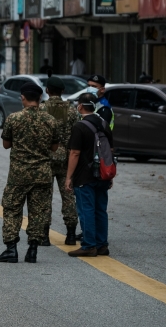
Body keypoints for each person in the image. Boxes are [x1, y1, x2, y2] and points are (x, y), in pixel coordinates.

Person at [0, 82, 59, 264]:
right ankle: (32, 250)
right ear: (40, 98)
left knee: (12, 209)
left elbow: (6, 144)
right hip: (42, 173)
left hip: (19, 174)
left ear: (22, 98)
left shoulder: (14, 119)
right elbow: (54, 147)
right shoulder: (50, 120)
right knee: (38, 212)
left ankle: (11, 249)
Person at [65, 92, 114, 257]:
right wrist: (110, 175)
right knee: (101, 210)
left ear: (80, 106)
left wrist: (68, 177)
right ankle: (102, 245)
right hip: (102, 174)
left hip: (84, 176)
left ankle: (88, 246)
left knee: (86, 210)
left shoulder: (80, 126)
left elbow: (74, 153)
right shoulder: (104, 123)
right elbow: (110, 151)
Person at [39, 75, 79, 246]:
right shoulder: (72, 110)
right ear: (62, 91)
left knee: (44, 198)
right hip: (67, 159)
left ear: (47, 90)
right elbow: (77, 134)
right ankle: (70, 234)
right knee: (68, 196)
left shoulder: (41, 109)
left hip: (46, 158)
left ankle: (44, 236)